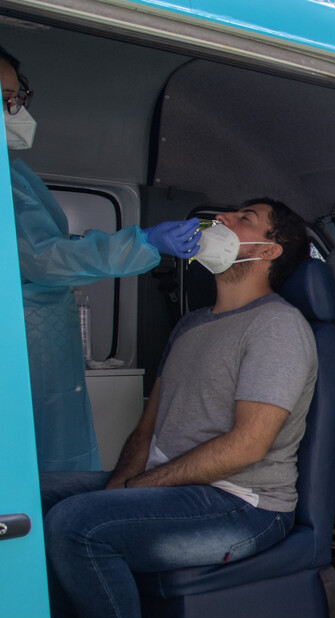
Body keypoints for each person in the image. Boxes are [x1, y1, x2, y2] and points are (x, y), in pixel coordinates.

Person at [41, 199, 314, 618]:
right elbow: (148, 426)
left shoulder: (279, 327)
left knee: (78, 525)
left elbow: (248, 445)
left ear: (267, 251)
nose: (220, 223)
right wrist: (121, 480)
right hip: (178, 489)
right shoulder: (193, 324)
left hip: (244, 505)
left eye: (243, 218)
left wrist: (137, 492)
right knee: (35, 495)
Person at [1, 46, 202, 472]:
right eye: (5, 99)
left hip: (41, 356)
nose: (15, 110)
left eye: (18, 97)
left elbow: (46, 247)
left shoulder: (13, 178)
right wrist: (143, 243)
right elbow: (44, 259)